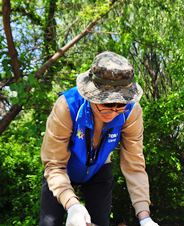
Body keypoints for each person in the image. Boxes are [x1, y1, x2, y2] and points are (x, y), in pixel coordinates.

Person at [39, 51, 159, 226]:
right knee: (49, 223)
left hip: (99, 169)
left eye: (121, 105)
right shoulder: (67, 106)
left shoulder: (131, 111)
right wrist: (73, 206)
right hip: (61, 171)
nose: (113, 111)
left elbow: (134, 164)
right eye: (107, 104)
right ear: (90, 96)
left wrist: (145, 216)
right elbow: (54, 164)